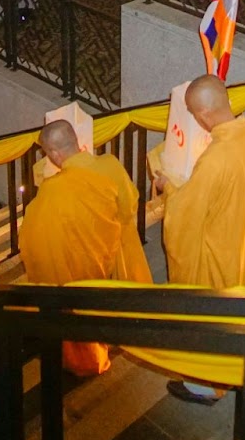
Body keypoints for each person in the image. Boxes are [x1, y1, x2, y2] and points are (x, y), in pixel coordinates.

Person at [158, 74, 245, 404]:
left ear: (202, 114)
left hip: (216, 256)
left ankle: (206, 385)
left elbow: (184, 216)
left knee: (209, 319)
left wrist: (167, 188)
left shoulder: (215, 160)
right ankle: (235, 367)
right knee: (240, 311)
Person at [22, 120, 153, 376]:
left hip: (86, 258)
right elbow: (129, 205)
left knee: (85, 302)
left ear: (55, 154)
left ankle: (91, 353)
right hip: (120, 248)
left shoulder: (54, 188)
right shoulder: (110, 164)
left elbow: (33, 234)